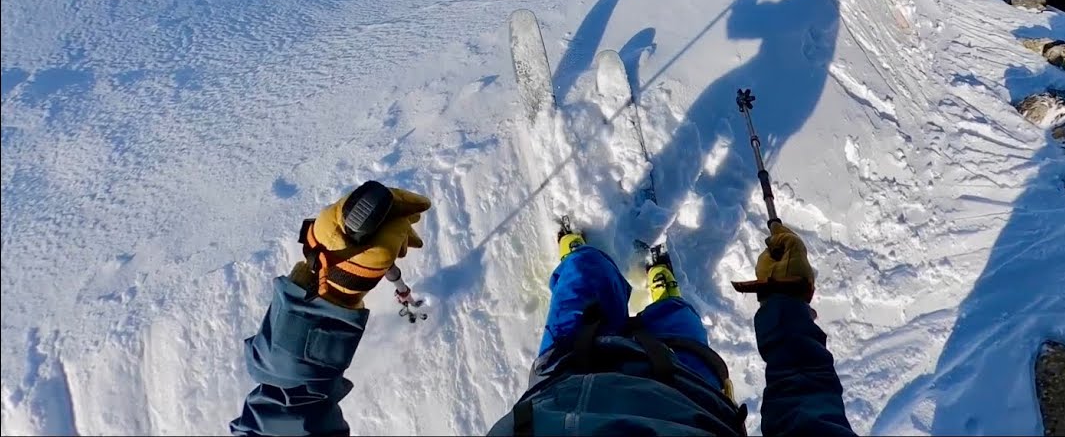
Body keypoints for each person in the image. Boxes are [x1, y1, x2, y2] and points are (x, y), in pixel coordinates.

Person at [231, 181, 857, 436]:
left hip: (568, 372)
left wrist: (327, 293)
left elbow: (285, 419)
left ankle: (584, 258)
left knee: (584, 276)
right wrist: (786, 307)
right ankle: (661, 287)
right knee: (676, 315)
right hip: (688, 381)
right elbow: (810, 413)